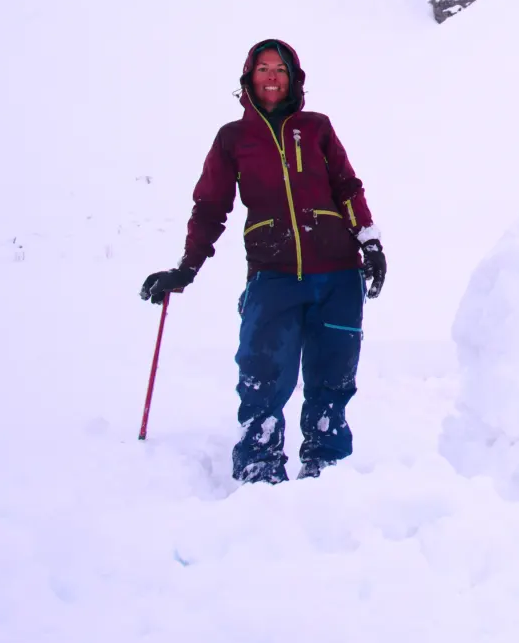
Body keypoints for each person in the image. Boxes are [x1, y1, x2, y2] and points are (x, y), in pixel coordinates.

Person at [140, 39, 387, 483]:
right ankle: (259, 468)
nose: (271, 77)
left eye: (279, 69)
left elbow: (347, 186)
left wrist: (369, 242)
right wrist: (187, 267)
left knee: (332, 381)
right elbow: (211, 207)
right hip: (274, 275)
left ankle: (327, 469)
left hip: (338, 274)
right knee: (262, 378)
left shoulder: (316, 128)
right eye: (263, 69)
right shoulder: (233, 139)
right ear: (249, 77)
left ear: (293, 78)